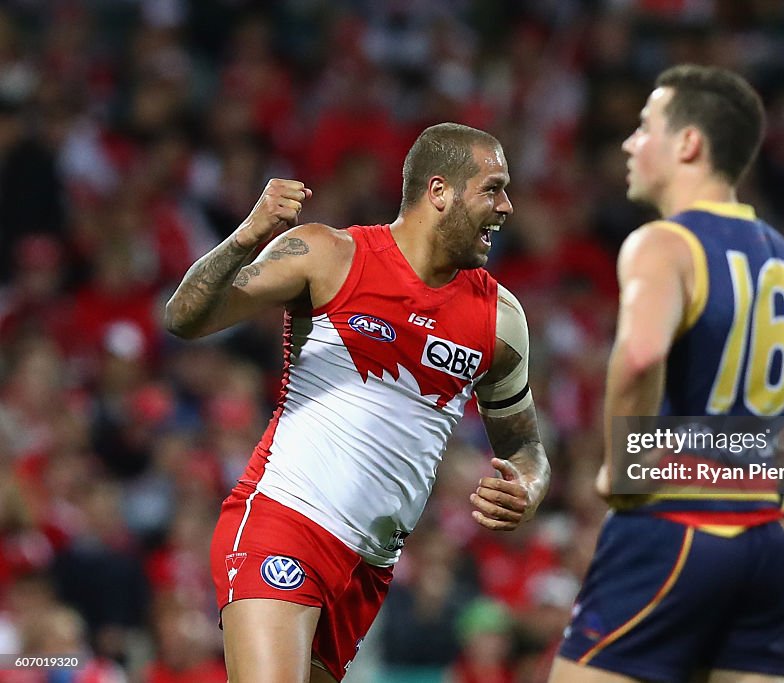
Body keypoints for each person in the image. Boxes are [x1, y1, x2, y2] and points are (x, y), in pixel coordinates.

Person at [164, 122, 550, 683]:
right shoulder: (328, 255)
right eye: (493, 188)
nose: (508, 206)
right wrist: (247, 235)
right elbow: (184, 318)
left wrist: (528, 489)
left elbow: (525, 447)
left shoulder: (501, 319)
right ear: (439, 192)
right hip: (285, 519)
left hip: (368, 568)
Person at [549, 65, 784, 683]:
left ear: (689, 144)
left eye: (645, 126)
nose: (629, 143)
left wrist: (625, 466)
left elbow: (642, 354)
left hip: (671, 528)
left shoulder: (664, 245)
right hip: (764, 540)